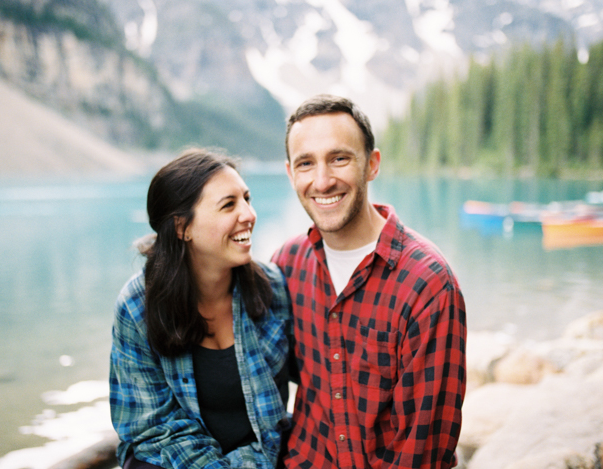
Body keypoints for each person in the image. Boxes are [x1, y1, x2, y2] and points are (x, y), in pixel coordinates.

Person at [271, 95, 467, 468]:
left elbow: (422, 451)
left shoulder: (427, 284)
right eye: (306, 164)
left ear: (372, 164)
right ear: (291, 173)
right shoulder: (287, 263)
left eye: (339, 158)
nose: (323, 181)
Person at [110, 148, 292, 469]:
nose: (249, 214)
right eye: (229, 205)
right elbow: (152, 427)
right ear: (182, 228)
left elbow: (280, 417)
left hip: (260, 458)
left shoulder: (272, 287)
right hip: (169, 461)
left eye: (247, 199)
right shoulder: (138, 306)